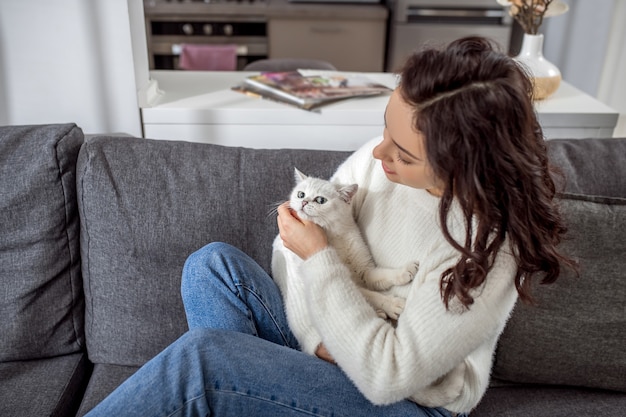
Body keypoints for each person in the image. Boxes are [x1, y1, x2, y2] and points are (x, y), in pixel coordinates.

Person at [85, 37, 575, 417]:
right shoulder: (376, 164)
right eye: (386, 129)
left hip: (408, 403)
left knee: (206, 359)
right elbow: (291, 251)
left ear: (462, 167)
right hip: (338, 346)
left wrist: (320, 259)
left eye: (403, 154)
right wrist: (318, 340)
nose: (379, 152)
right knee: (211, 264)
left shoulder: (482, 246)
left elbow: (388, 375)